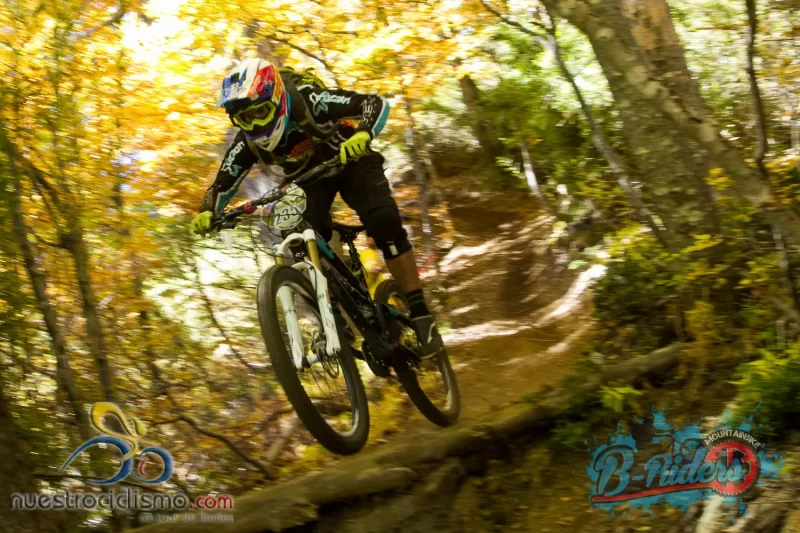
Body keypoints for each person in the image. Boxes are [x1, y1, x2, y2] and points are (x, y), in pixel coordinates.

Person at [190, 58, 442, 357]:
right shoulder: (247, 142)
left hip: (351, 159)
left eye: (260, 112)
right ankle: (331, 318)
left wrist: (363, 133)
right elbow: (223, 182)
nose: (255, 124)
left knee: (383, 220)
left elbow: (373, 103)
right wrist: (208, 211)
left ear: (278, 99)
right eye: (245, 119)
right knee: (295, 236)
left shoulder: (311, 100)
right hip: (309, 180)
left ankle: (420, 312)